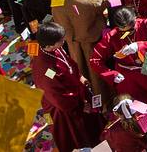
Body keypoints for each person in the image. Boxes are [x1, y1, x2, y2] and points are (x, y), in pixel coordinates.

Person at [32, 19, 101, 152]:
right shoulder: (46, 69)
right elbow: (57, 96)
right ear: (50, 45)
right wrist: (80, 106)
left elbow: (68, 63)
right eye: (61, 40)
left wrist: (79, 76)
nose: (63, 42)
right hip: (66, 108)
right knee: (78, 136)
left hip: (75, 93)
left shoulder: (52, 49)